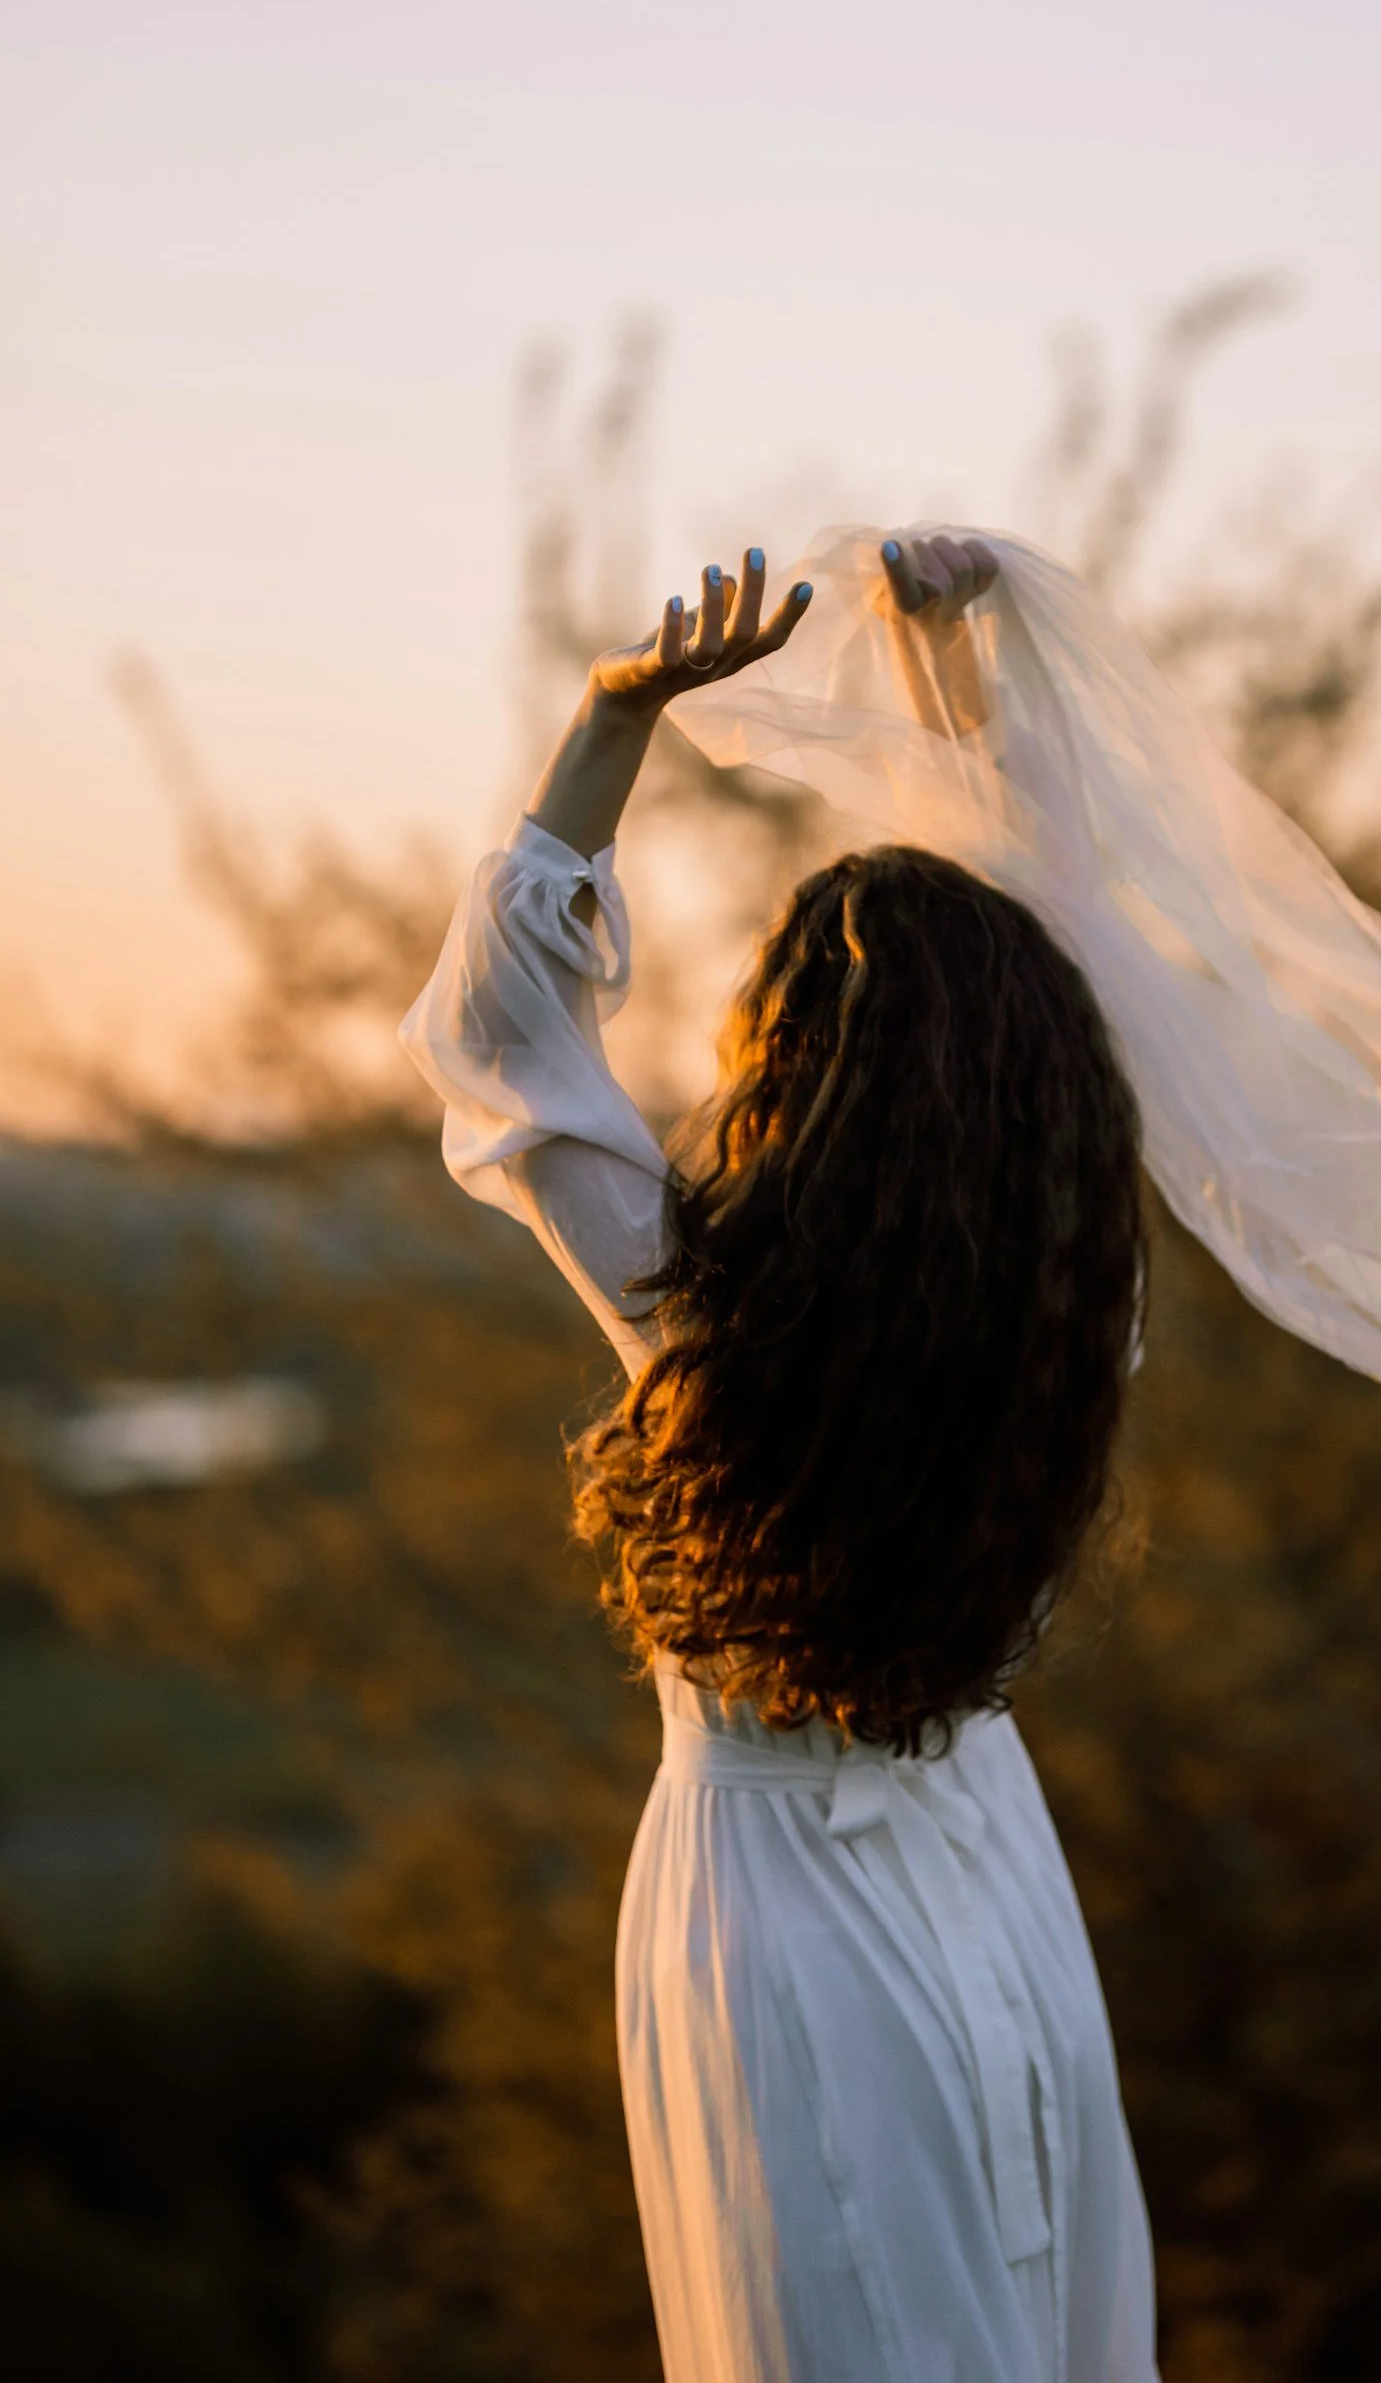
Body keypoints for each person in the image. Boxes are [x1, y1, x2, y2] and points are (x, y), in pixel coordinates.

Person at [402, 533, 1160, 2383]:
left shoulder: (715, 1324)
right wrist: (957, 677)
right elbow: (1039, 957)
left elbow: (506, 1034)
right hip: (1002, 1880)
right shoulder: (1073, 1309)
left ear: (789, 1072)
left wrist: (612, 718)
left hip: (784, 1936)